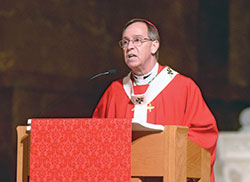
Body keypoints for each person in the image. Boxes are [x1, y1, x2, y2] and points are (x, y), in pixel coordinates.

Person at [93, 18, 218, 182]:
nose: (130, 47)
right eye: (125, 42)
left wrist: (169, 153)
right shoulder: (114, 92)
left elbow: (204, 136)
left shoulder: (183, 87)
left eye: (137, 40)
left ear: (154, 45)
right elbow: (95, 136)